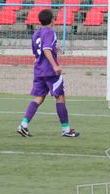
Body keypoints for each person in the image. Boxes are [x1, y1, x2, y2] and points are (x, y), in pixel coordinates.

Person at [16, 8, 79, 138]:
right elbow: (45, 49)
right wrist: (55, 65)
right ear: (52, 20)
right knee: (60, 97)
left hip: (39, 69)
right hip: (50, 71)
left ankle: (23, 124)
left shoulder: (36, 33)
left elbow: (38, 50)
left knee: (39, 98)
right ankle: (66, 129)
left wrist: (54, 47)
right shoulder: (50, 32)